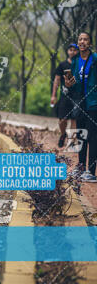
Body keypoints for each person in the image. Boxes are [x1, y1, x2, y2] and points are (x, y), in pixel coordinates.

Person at [64, 32, 97, 182]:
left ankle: (91, 171)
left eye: (85, 39)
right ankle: (81, 167)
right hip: (80, 101)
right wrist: (69, 84)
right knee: (81, 135)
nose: (82, 41)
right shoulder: (76, 61)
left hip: (94, 102)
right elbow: (75, 82)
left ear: (90, 43)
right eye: (80, 39)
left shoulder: (95, 59)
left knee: (93, 137)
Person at [51, 43, 79, 147]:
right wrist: (53, 95)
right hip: (64, 96)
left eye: (75, 50)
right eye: (70, 50)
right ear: (67, 51)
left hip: (77, 96)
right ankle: (63, 134)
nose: (72, 52)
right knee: (62, 120)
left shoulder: (80, 65)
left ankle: (71, 142)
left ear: (78, 51)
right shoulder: (62, 65)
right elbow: (57, 80)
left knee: (74, 119)